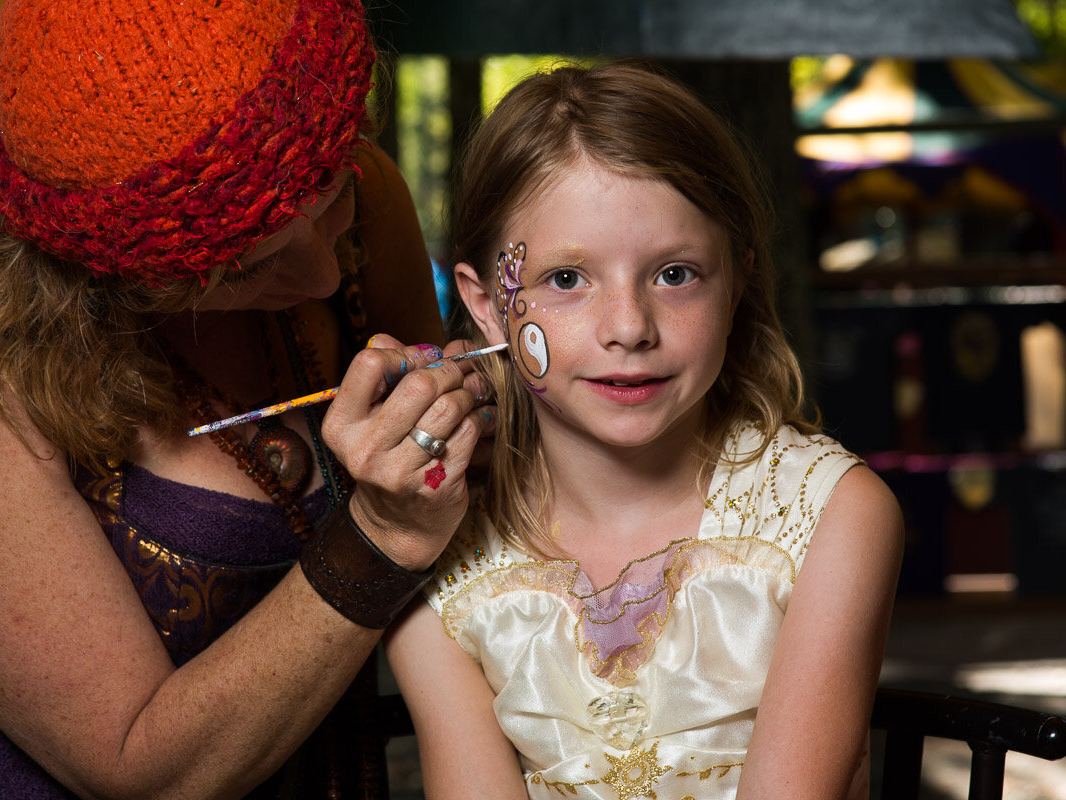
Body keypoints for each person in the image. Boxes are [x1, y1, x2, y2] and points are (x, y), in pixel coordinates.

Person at [0, 1, 491, 797]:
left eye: (331, 194)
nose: (326, 280)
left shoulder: (358, 199)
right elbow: (141, 772)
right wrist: (381, 535)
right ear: (99, 275)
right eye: (241, 271)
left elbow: (454, 534)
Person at [385, 60, 905, 800]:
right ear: (488, 305)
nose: (629, 327)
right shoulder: (437, 551)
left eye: (676, 274)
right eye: (567, 279)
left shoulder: (832, 517)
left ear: (738, 283)